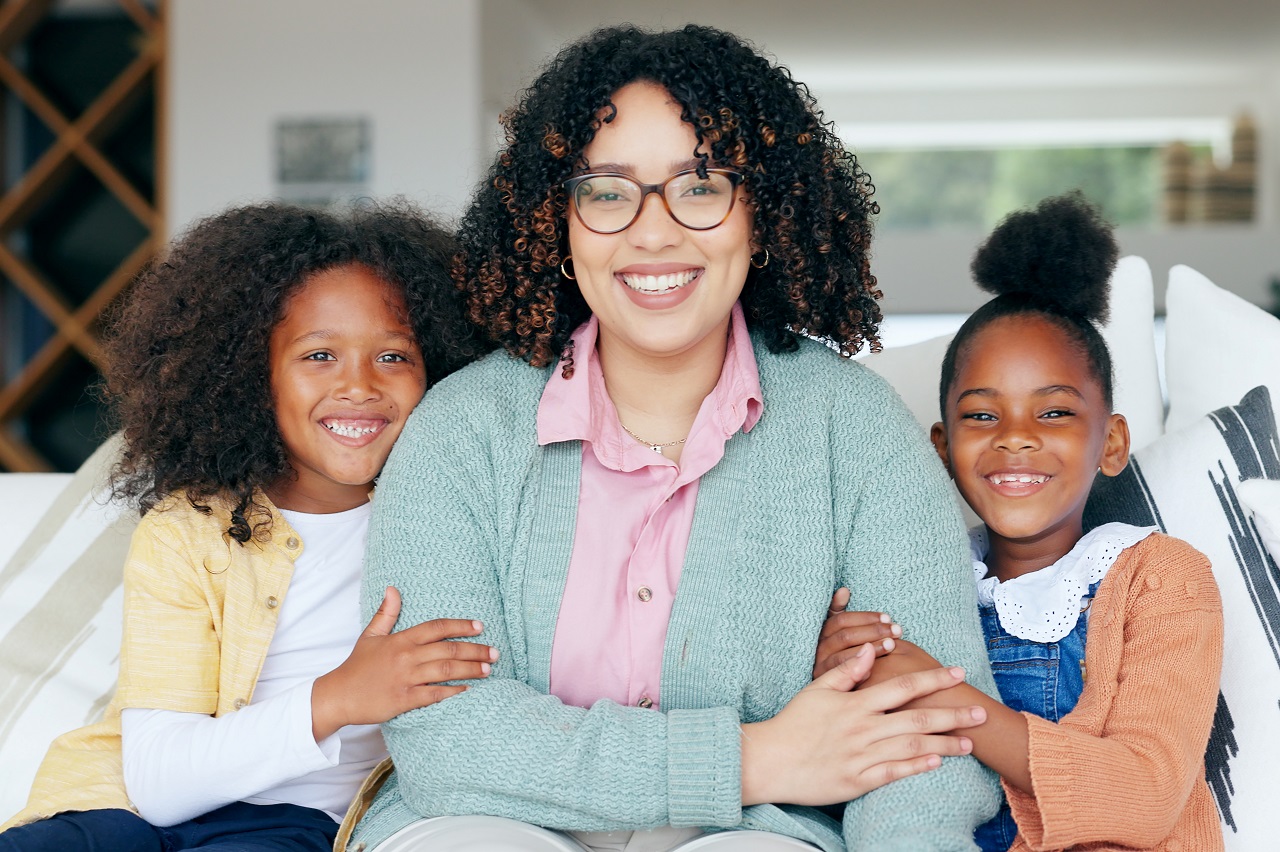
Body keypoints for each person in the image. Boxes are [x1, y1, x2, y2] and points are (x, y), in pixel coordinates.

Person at [348, 24, 1001, 852]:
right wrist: (751, 758)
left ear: (760, 215)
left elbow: (929, 735)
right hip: (485, 825)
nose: (653, 233)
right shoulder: (461, 431)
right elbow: (446, 739)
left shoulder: (858, 432)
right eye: (608, 191)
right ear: (561, 225)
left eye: (699, 187)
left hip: (760, 837)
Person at [0, 201, 496, 852]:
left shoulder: (453, 520)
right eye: (319, 355)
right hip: (122, 812)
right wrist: (339, 698)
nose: (359, 386)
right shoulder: (189, 531)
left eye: (394, 357)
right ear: (249, 375)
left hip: (297, 827)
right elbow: (160, 781)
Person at [820, 193, 1225, 851]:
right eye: (982, 416)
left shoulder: (1162, 580)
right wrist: (842, 671)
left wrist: (941, 696)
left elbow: (1145, 799)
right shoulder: (919, 589)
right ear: (942, 447)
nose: (1014, 439)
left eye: (1055, 413)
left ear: (1113, 443)